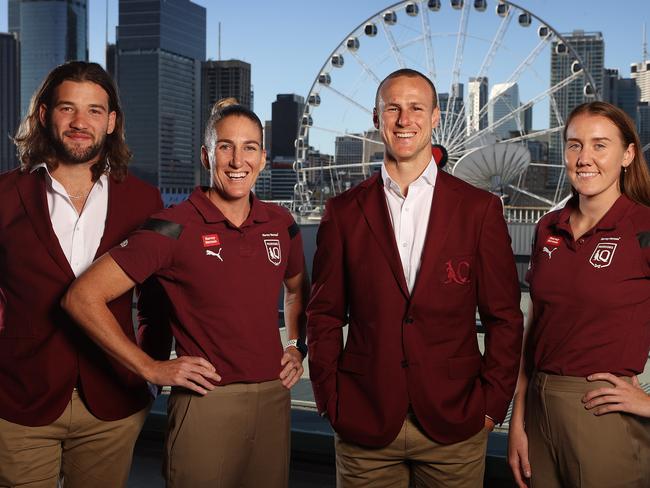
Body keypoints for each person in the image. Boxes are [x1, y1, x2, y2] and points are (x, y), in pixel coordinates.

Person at [62, 98, 309, 488]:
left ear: (262, 158)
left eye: (249, 148)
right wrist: (150, 367)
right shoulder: (172, 227)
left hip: (274, 399)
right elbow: (81, 297)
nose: (237, 160)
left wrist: (296, 344)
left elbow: (296, 289)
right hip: (206, 401)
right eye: (225, 146)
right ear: (206, 156)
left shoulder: (282, 224)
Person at [307, 68, 523, 487]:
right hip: (363, 419)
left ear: (437, 116)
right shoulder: (343, 211)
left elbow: (504, 318)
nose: (404, 120)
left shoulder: (479, 210)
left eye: (416, 108)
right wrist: (329, 400)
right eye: (394, 108)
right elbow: (325, 315)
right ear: (376, 118)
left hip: (456, 423)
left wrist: (491, 406)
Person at [0, 61, 170, 488]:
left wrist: (148, 377)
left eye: (94, 111)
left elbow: (157, 303)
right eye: (67, 108)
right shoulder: (3, 196)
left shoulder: (144, 199)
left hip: (113, 403)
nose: (80, 122)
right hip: (19, 402)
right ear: (44, 115)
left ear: (111, 122)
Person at [508, 101, 650, 488]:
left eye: (600, 145)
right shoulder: (546, 227)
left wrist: (649, 404)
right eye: (574, 145)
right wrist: (518, 416)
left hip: (603, 411)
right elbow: (535, 324)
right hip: (538, 406)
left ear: (628, 154)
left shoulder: (644, 227)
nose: (585, 158)